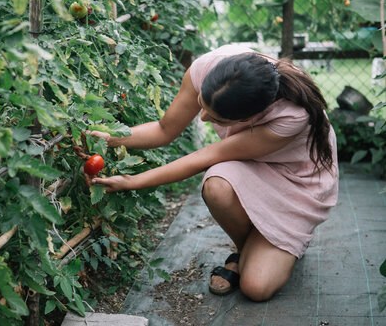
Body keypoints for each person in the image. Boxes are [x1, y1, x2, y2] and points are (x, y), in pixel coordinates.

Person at [90, 44, 339, 302]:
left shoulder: (292, 115)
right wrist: (111, 138)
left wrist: (131, 181)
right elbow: (165, 129)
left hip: (295, 181)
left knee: (256, 288)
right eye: (202, 104)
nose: (204, 118)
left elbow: (206, 156)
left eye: (219, 119)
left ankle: (278, 242)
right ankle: (247, 250)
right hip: (251, 165)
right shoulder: (209, 70)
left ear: (253, 116)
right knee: (216, 185)